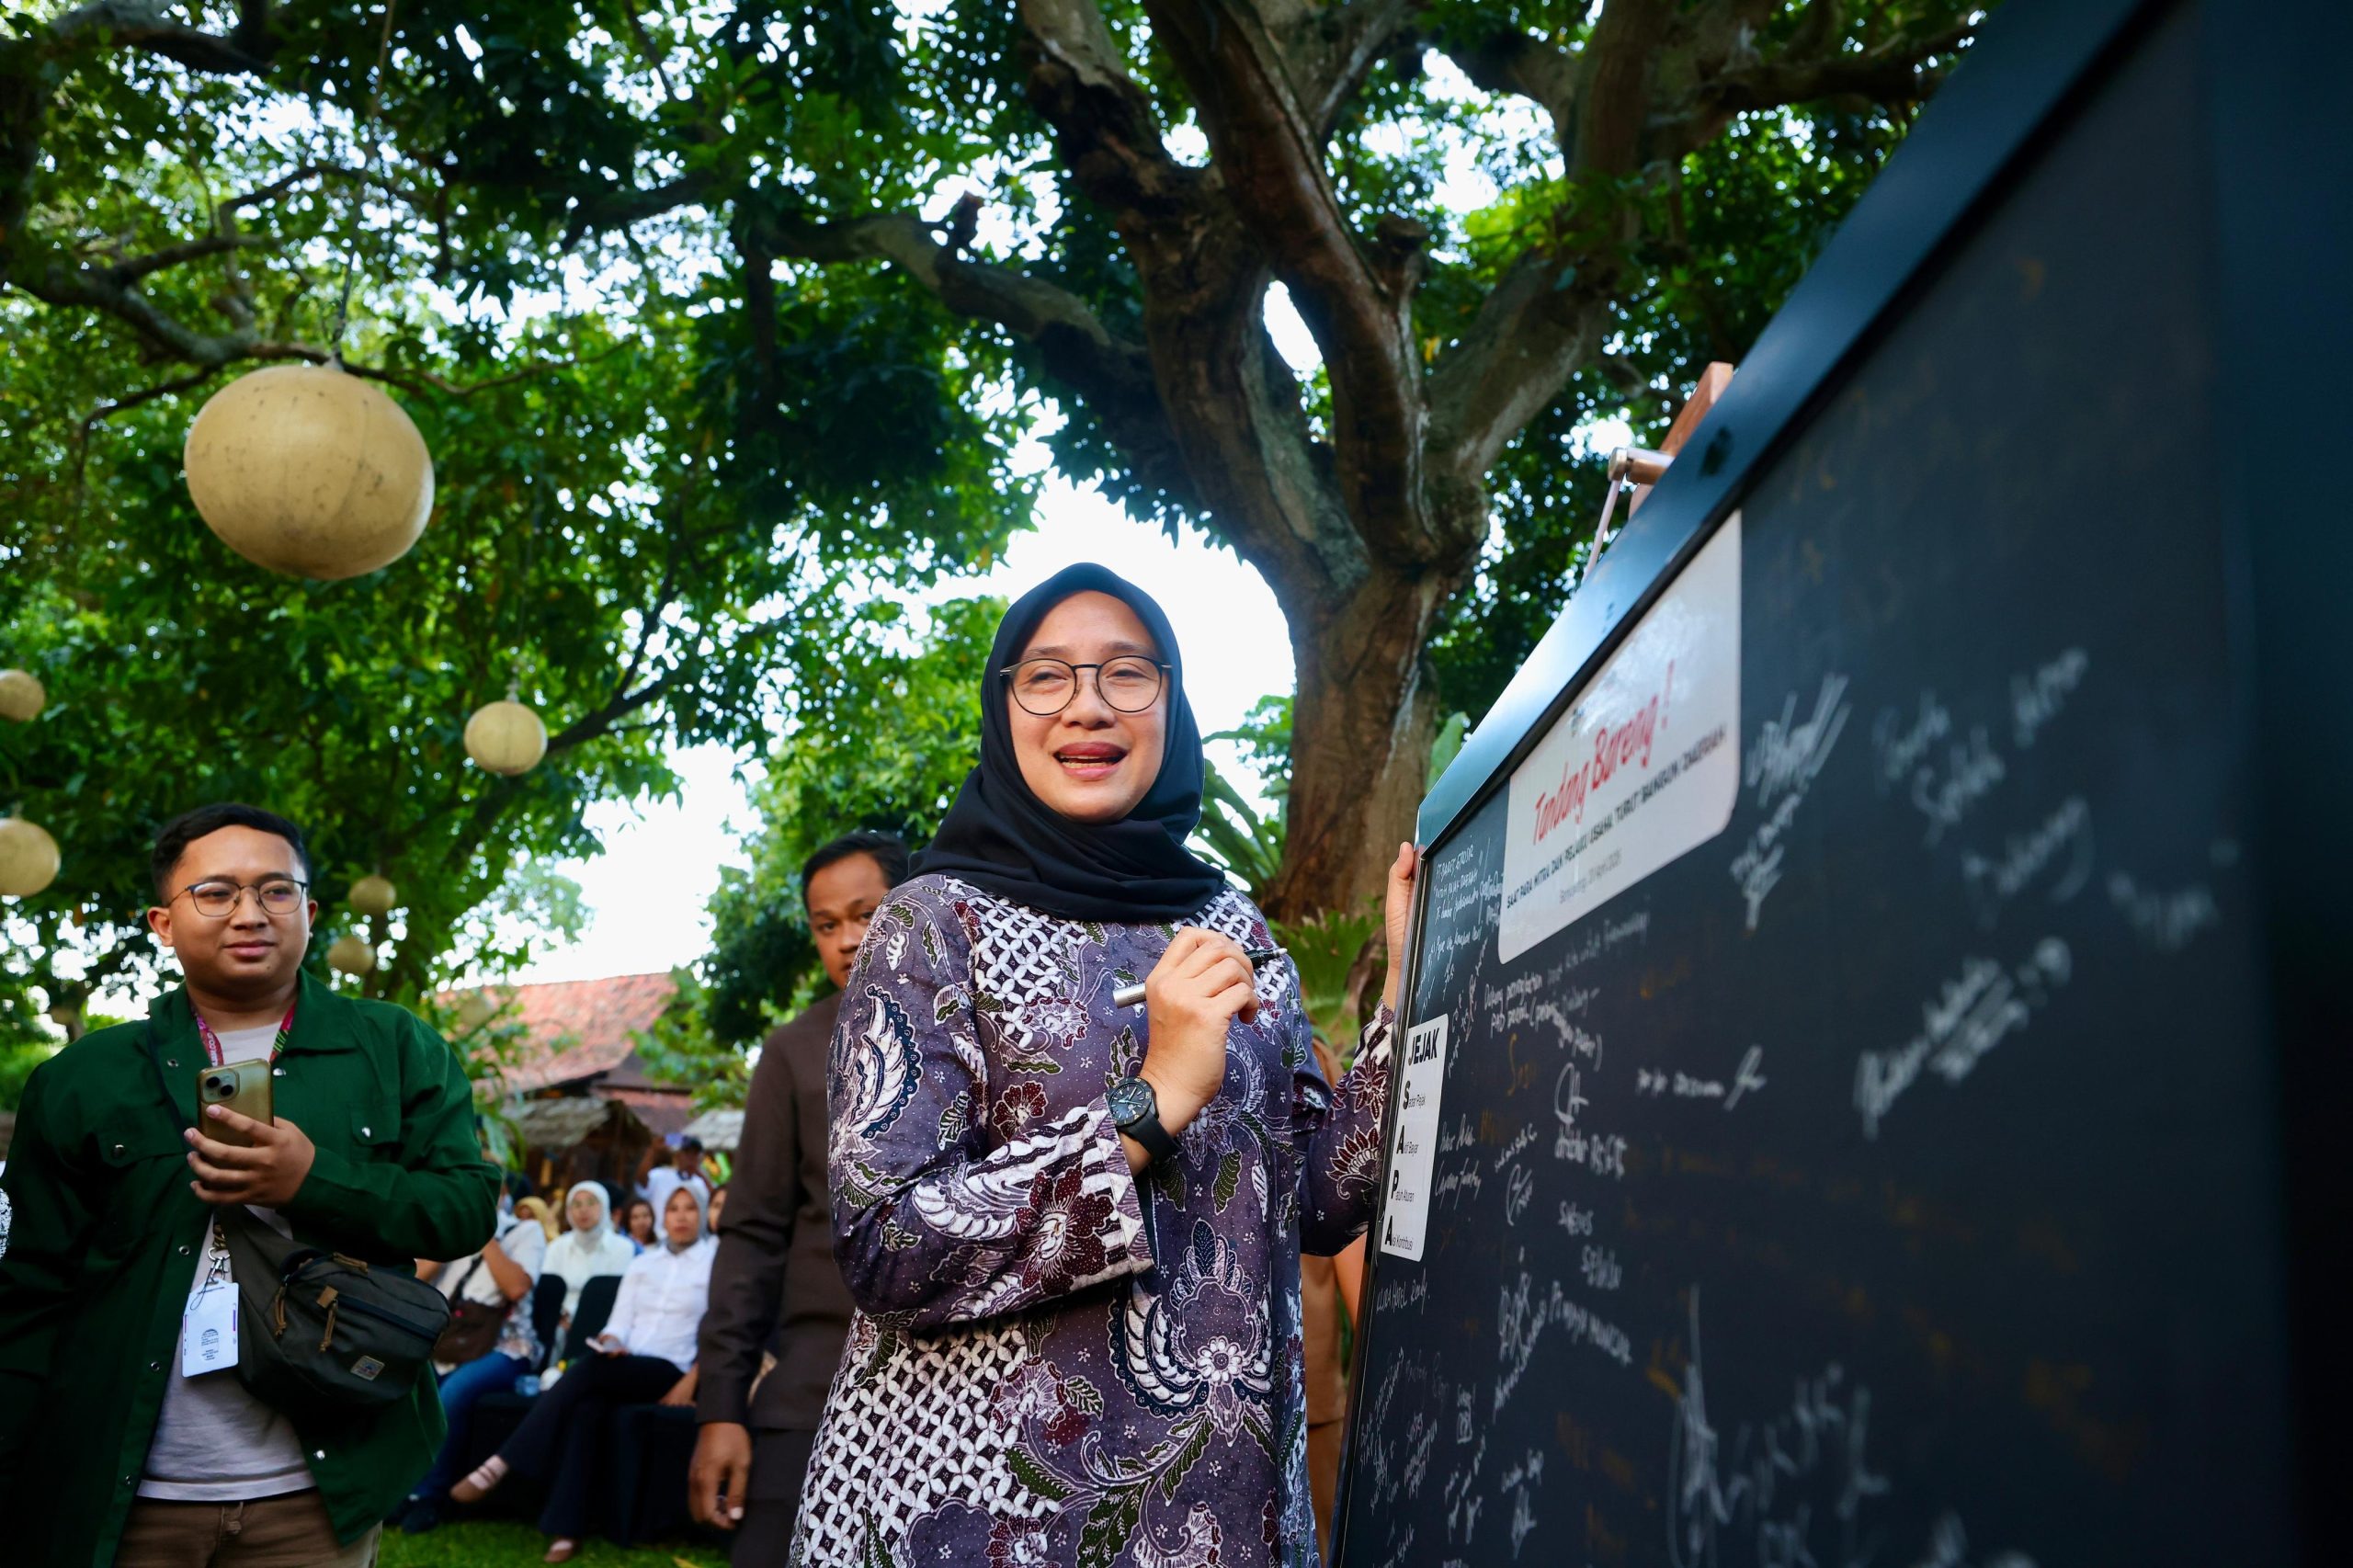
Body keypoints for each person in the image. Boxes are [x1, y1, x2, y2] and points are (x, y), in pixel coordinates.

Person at [787, 566, 1414, 1566]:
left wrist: (1404, 996)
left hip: (1226, 1515)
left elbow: (1316, 1205)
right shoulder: (933, 924)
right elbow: (887, 1248)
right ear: (1004, 711)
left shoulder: (1235, 926)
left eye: (1127, 672)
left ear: (1171, 703)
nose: (1087, 704)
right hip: (991, 1513)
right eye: (1047, 676)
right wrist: (1149, 1103)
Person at [0, 802, 498, 1567]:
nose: (249, 913)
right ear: (164, 923)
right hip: (123, 1490)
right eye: (216, 892)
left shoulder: (395, 1047)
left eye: (275, 890)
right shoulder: (84, 1079)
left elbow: (464, 1208)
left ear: (310, 912)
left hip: (315, 1496)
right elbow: (31, 1291)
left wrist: (313, 1179)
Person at [690, 830, 908, 1562]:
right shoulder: (793, 1050)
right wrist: (721, 1408)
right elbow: (752, 1233)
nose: (847, 940)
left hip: (965, 1389)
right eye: (826, 924)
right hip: (813, 1383)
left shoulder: (981, 1030)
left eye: (867, 914)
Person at [451, 1183, 715, 1562]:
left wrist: (691, 1381)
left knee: (589, 1370)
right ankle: (567, 1528)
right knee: (585, 1408)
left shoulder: (715, 1262)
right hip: (628, 1365)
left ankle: (501, 1463)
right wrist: (611, 1341)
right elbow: (618, 1323)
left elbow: (719, 1331)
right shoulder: (645, 1263)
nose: (681, 1216)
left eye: (690, 1208)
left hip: (673, 1368)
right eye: (673, 1208)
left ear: (703, 1213)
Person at [399, 1171, 549, 1533]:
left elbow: (516, 1288)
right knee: (406, 1390)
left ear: (503, 1193)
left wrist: (484, 1234)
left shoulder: (525, 1231)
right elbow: (413, 1280)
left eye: (484, 1188)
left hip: (506, 1347)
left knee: (452, 1394)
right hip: (449, 1341)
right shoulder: (453, 1228)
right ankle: (399, 1491)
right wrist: (448, 1237)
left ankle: (428, 1497)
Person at [541, 1179, 637, 1326]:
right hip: (557, 1321)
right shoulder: (557, 1246)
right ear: (568, 1211)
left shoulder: (623, 1247)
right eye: (577, 1204)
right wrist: (562, 1318)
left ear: (604, 1206)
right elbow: (548, 1292)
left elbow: (614, 1294)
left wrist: (574, 1317)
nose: (583, 1210)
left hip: (604, 1321)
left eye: (591, 1203)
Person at [636, 1134, 712, 1216]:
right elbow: (641, 1180)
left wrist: (699, 1173)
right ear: (678, 1155)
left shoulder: (700, 1183)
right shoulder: (660, 1175)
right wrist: (652, 1151)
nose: (691, 1158)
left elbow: (714, 1201)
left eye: (695, 1154)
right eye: (687, 1153)